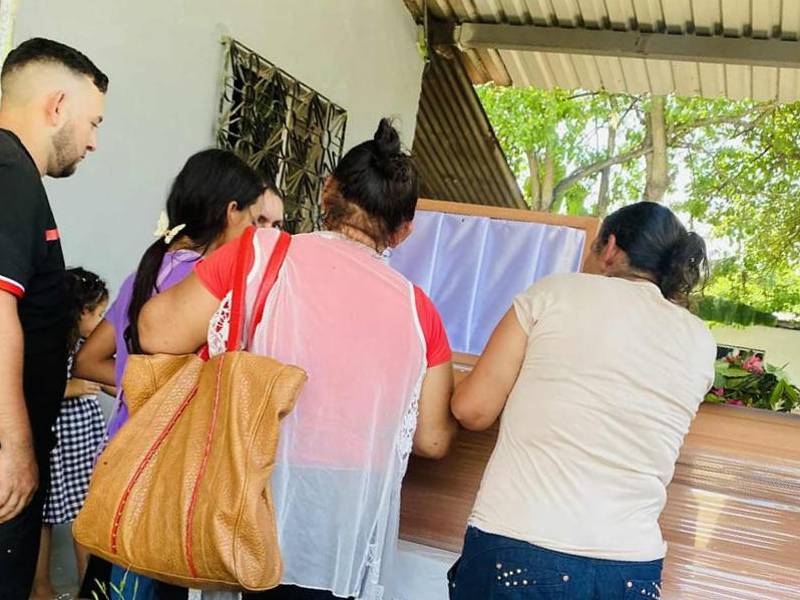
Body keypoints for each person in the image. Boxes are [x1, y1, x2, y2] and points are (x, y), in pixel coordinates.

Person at [137, 119, 458, 600]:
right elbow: (432, 439)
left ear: (329, 190)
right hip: (342, 525)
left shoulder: (258, 254)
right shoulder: (419, 312)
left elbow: (155, 331)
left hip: (251, 486)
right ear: (404, 231)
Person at [447, 202, 717, 599]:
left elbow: (473, 410)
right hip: (631, 567)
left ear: (609, 248)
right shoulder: (699, 340)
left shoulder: (556, 292)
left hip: (525, 544)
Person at [73, 148, 276, 599]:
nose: (257, 235)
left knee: (111, 585)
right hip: (170, 474)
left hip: (120, 458)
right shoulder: (205, 289)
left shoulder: (146, 272)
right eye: (256, 221)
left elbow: (88, 361)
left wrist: (138, 386)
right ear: (231, 212)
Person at [0, 37, 107, 597]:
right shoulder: (10, 172)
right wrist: (15, 450)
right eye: (93, 122)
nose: (93, 142)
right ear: (57, 105)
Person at [31, 267, 109, 600]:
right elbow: (33, 389)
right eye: (101, 314)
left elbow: (108, 379)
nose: (105, 321)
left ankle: (89, 588)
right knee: (43, 516)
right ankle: (40, 588)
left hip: (84, 441)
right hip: (56, 442)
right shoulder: (48, 346)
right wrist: (71, 387)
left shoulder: (87, 346)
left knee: (88, 514)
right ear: (81, 312)